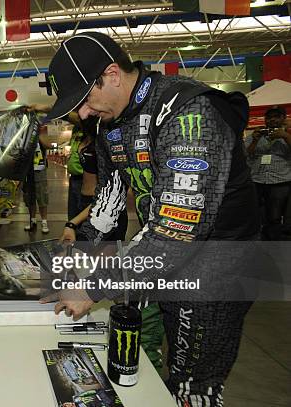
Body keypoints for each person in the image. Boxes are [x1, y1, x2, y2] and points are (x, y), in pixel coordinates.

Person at [44, 33, 259, 406]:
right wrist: (72, 265)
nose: (81, 114)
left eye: (83, 100)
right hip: (163, 261)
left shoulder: (189, 111)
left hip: (217, 269)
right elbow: (106, 212)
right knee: (153, 366)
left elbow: (176, 234)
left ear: (112, 74)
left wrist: (91, 289)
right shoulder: (109, 126)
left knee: (193, 385)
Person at [244, 106, 291, 240]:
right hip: (257, 180)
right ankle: (259, 237)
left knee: (275, 215)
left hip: (280, 181)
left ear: (283, 118)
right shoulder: (256, 134)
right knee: (256, 211)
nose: (272, 120)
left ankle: (274, 241)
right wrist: (254, 140)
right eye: (269, 117)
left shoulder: (288, 133)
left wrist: (286, 136)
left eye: (276, 116)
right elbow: (247, 154)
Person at [23, 127, 51, 234]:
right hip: (27, 171)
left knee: (42, 197)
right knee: (29, 197)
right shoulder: (25, 137)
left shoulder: (41, 136)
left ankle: (44, 222)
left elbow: (48, 146)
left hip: (39, 170)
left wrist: (38, 134)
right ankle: (32, 221)